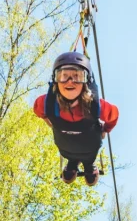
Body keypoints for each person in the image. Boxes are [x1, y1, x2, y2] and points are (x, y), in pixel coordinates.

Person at [33, 52, 118, 186]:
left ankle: (89, 166)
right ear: (55, 80)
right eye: (64, 76)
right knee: (70, 154)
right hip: (66, 147)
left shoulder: (95, 106)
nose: (70, 81)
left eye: (77, 76)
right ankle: (72, 164)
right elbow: (39, 111)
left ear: (86, 81)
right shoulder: (47, 103)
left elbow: (113, 115)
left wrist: (105, 129)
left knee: (89, 157)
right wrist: (50, 123)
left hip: (89, 147)